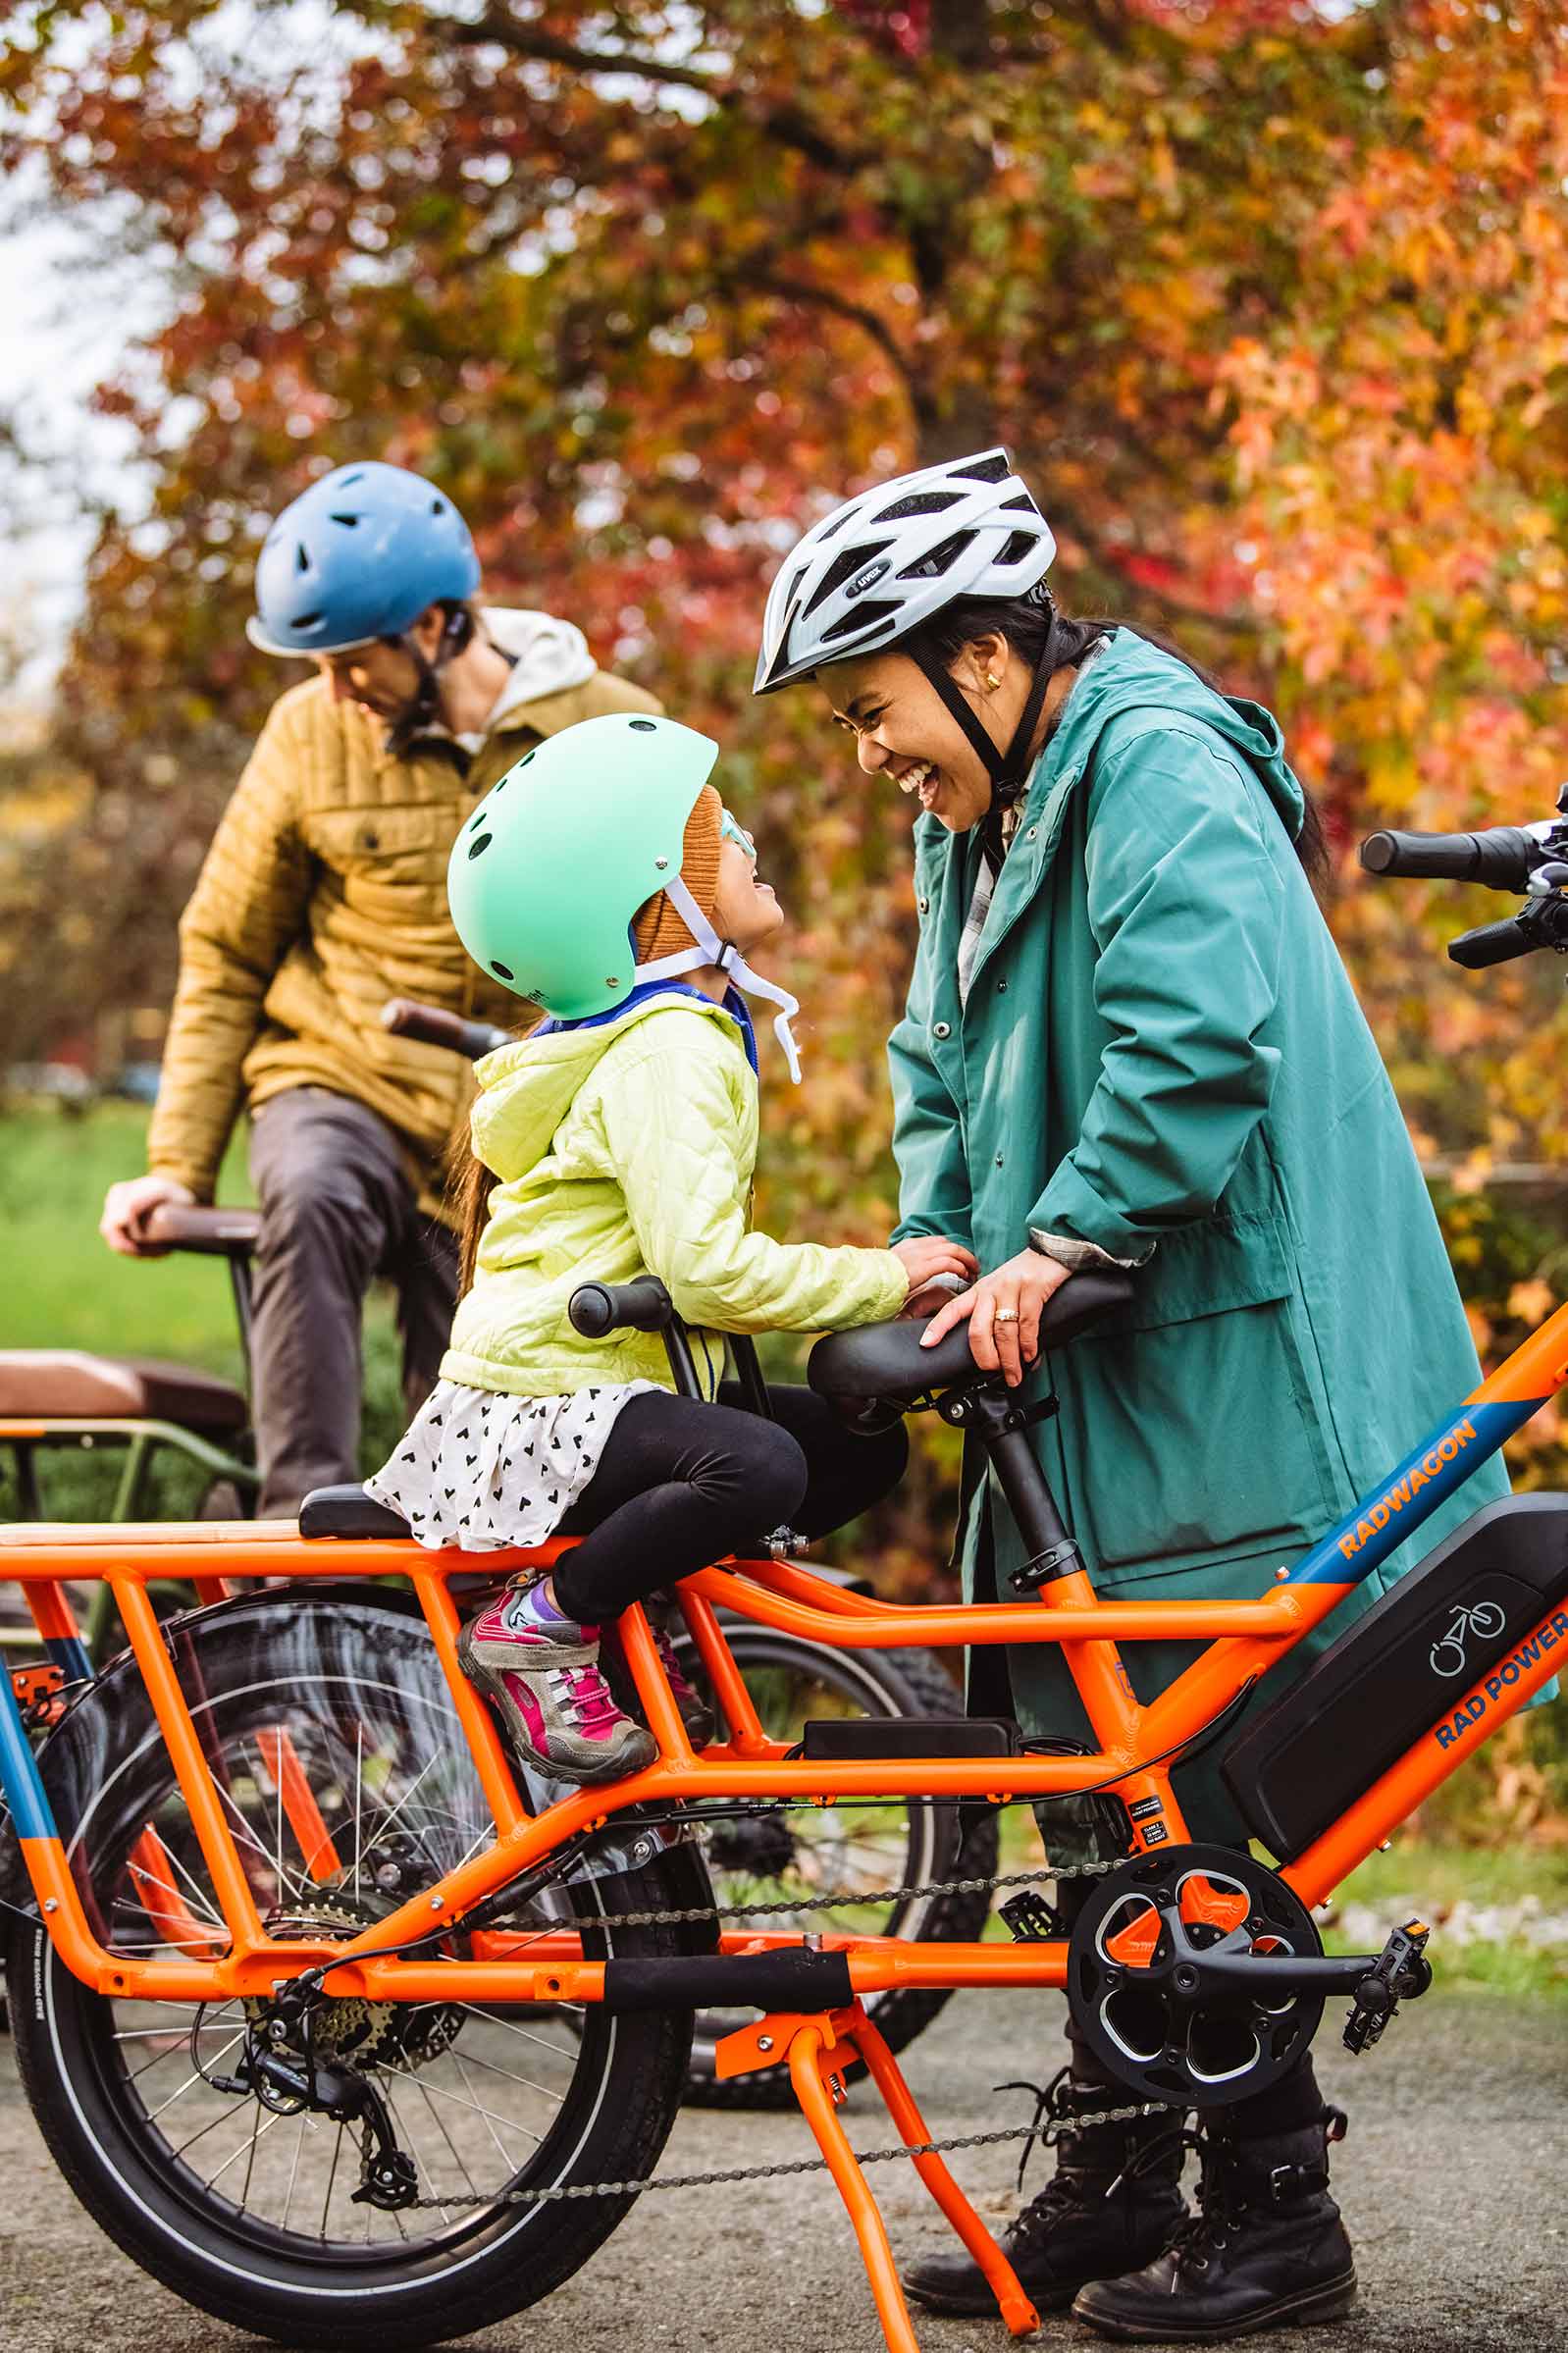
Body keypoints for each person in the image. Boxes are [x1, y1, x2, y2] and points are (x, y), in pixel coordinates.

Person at [754, 447, 1509, 2338]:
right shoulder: (977, 815)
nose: (866, 754)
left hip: (1222, 1349)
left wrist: (1064, 1236)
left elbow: (1191, 1039)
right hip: (1080, 1352)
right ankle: (1111, 2177)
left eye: (873, 707)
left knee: (1199, 1789)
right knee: (1093, 1779)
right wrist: (942, 1240)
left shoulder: (1155, 763)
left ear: (986, 662)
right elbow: (931, 1052)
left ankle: (1273, 2223)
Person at [362, 709, 975, 1783]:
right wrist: (883, 1275)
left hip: (590, 1384)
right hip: (545, 1399)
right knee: (760, 1462)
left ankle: (648, 1618)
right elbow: (705, 1272)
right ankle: (545, 1624)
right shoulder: (667, 1050)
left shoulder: (662, 1035)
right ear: (662, 901)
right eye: (716, 834)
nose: (745, 843)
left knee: (856, 1443)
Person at [98, 460, 660, 1516]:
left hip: (509, 1120)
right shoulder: (308, 734)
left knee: (481, 1363)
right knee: (310, 1192)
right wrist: (176, 1164)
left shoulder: (605, 723)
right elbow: (224, 946)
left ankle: (439, 1587)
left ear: (441, 625)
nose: (334, 691)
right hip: (338, 1070)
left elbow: (670, 938)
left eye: (353, 662)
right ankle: (294, 1536)